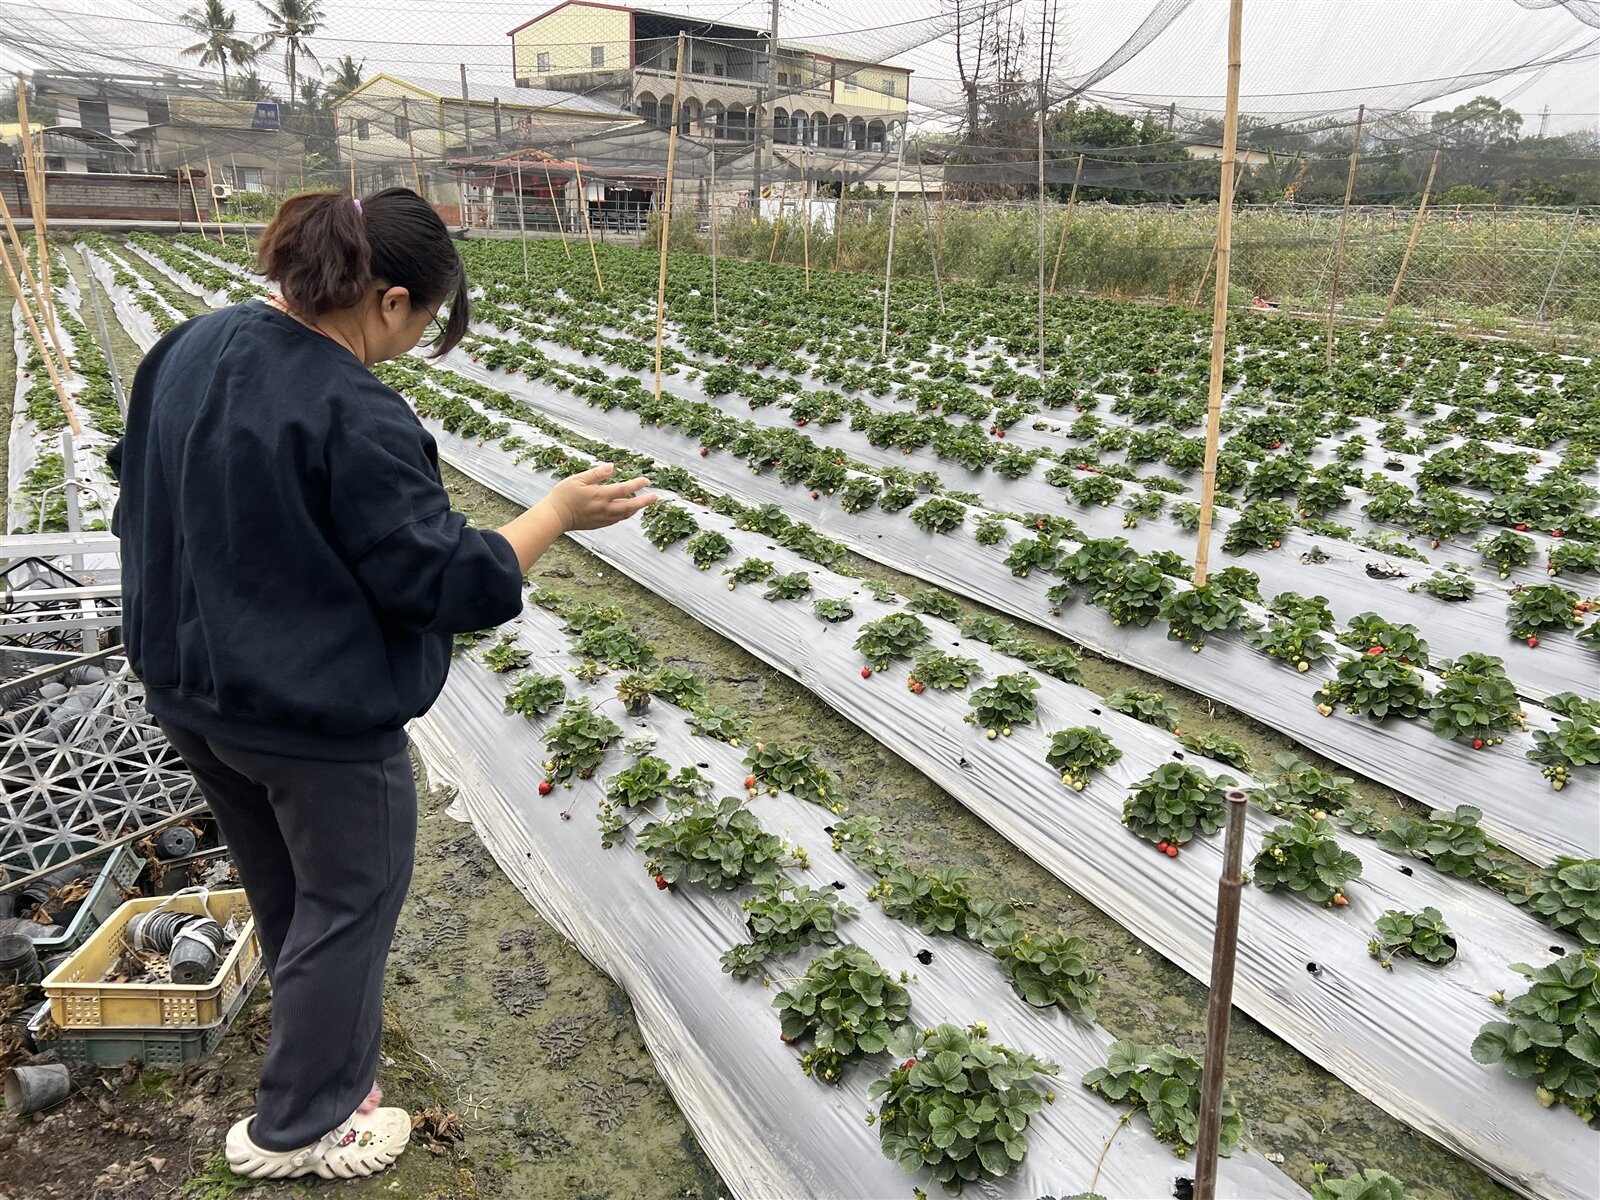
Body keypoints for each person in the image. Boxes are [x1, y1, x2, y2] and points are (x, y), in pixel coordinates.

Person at [108, 187, 655, 1181]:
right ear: (390, 300)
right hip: (311, 717)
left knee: (289, 892)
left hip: (193, 690)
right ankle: (302, 1126)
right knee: (349, 900)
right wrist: (555, 515)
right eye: (425, 321)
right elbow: (446, 580)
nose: (413, 342)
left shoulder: (184, 348)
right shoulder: (350, 406)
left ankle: (326, 1070)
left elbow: (138, 485)